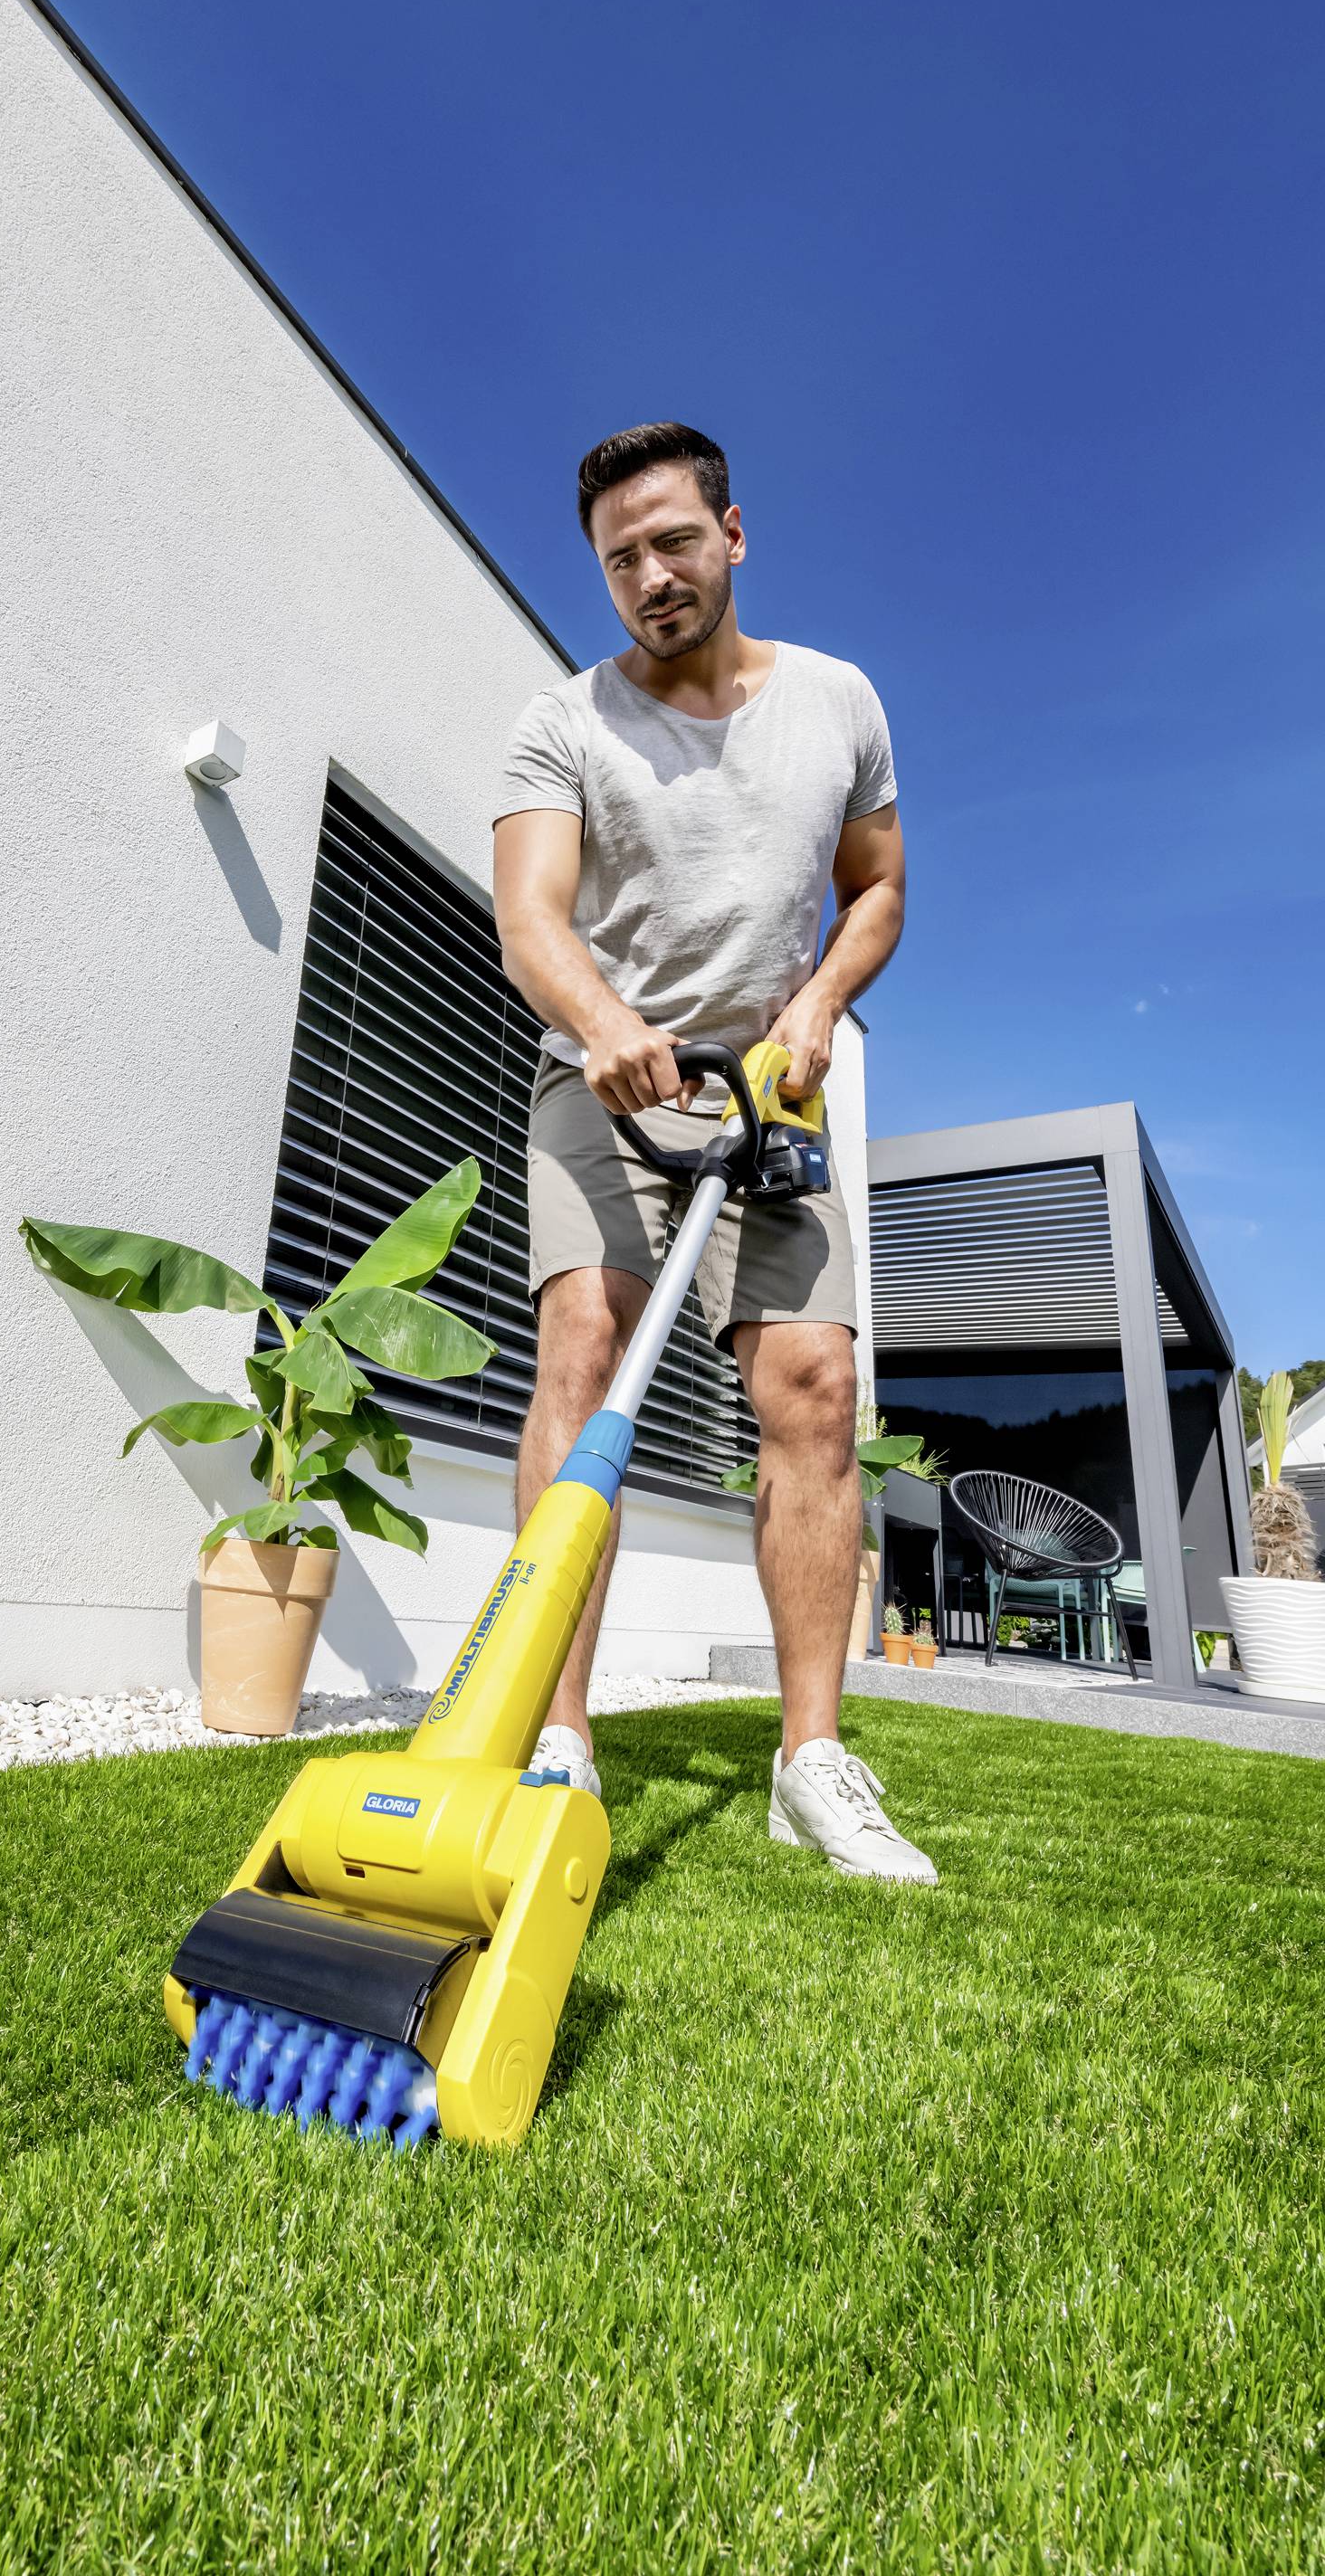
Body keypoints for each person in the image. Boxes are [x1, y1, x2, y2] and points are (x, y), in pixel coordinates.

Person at [491, 420, 936, 1884]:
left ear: (733, 536)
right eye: (621, 558)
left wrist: (819, 1002)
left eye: (674, 541)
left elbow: (877, 888)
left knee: (815, 1390)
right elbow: (530, 917)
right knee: (581, 1353)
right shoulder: (562, 723)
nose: (651, 577)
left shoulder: (838, 701)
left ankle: (811, 1760)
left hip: (767, 1091)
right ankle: (557, 1739)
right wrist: (606, 1023)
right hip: (609, 1080)